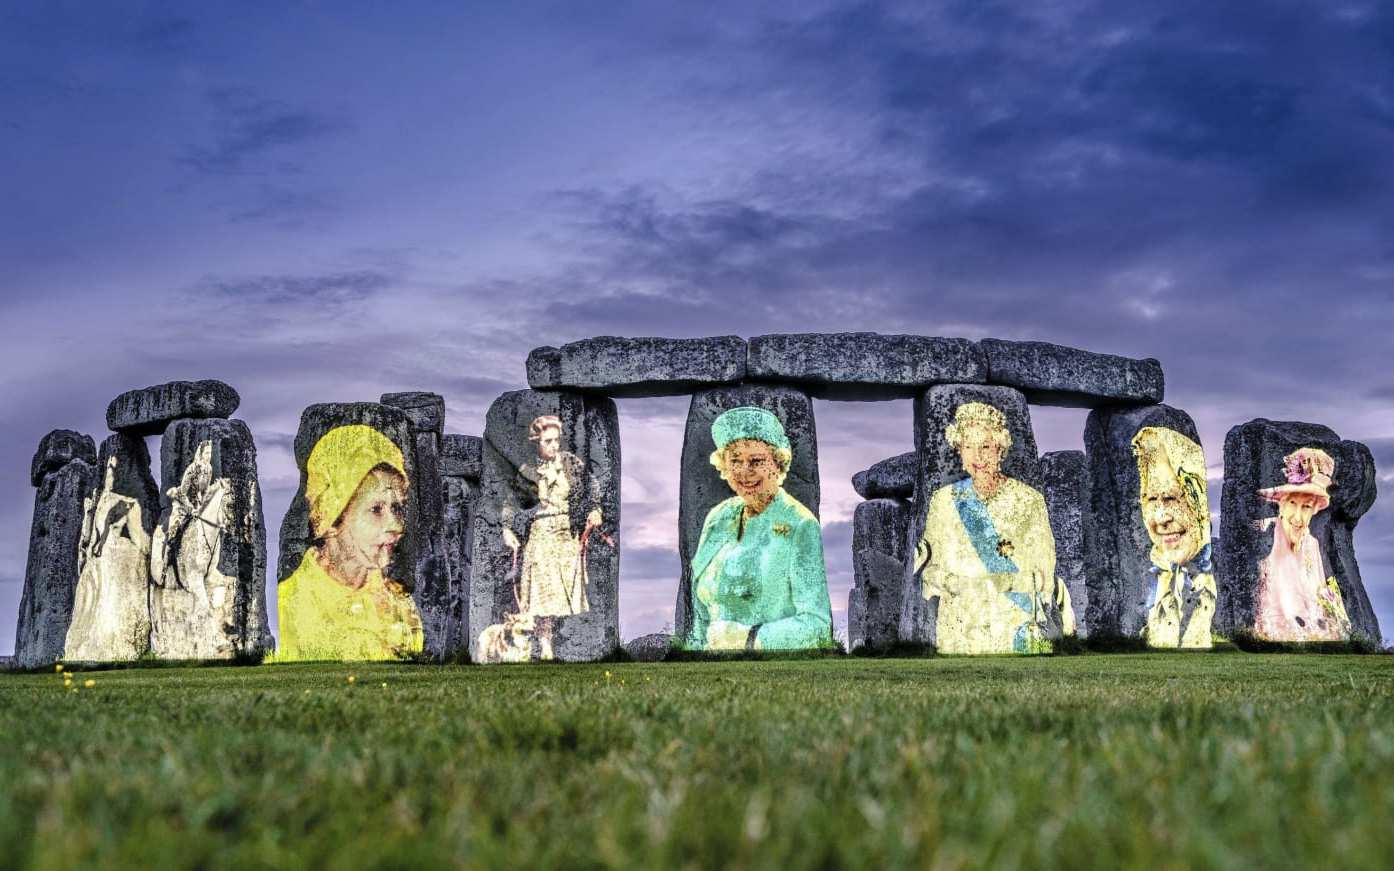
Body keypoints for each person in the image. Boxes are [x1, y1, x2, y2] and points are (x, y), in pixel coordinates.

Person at [917, 402, 1073, 654]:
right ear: (959, 450)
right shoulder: (943, 501)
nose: (977, 456)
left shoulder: (1029, 500)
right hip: (961, 625)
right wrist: (958, 584)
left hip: (1014, 620)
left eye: (986, 447)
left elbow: (1044, 573)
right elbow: (929, 570)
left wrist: (1003, 582)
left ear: (1001, 449)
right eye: (968, 447)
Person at [685, 406, 833, 652]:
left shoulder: (800, 525)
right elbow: (700, 613)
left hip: (766, 670)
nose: (744, 471)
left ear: (777, 463)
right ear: (724, 466)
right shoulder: (717, 517)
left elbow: (818, 626)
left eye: (756, 461)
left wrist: (750, 640)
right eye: (735, 461)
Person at [278, 424, 424, 660]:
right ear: (332, 519)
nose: (396, 526)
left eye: (396, 508)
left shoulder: (400, 603)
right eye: (376, 509)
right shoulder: (295, 597)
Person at [496, 414, 603, 661]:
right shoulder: (529, 472)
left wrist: (595, 509)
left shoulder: (570, 463)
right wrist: (507, 529)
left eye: (557, 440)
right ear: (537, 442)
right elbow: (512, 502)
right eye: (548, 441)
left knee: (560, 595)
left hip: (567, 534)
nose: (554, 445)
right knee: (541, 595)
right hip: (541, 535)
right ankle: (545, 648)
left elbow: (591, 486)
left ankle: (551, 645)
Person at [1253, 447, 1350, 641]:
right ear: (1281, 504)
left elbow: (1315, 589)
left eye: (1306, 507)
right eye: (1292, 504)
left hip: (1308, 626)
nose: (1297, 517)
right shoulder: (1263, 530)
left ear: (1314, 510)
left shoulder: (1310, 543)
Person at [1132, 426, 1214, 649]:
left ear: (1197, 501)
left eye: (1170, 498)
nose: (1160, 518)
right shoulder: (1155, 583)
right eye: (1150, 499)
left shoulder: (1202, 587)